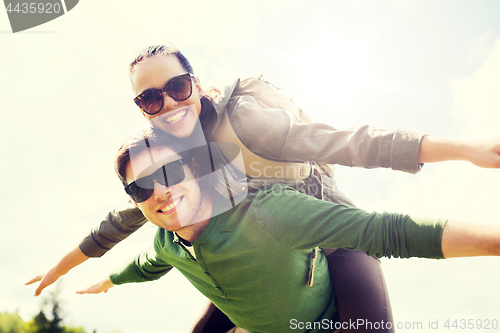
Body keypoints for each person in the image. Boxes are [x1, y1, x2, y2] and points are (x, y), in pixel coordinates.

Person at [26, 45, 500, 332]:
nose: (168, 103)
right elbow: (125, 221)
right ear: (142, 109)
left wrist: (463, 148)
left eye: (178, 86)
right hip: (261, 247)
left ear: (196, 83)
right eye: (150, 98)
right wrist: (61, 268)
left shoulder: (246, 122)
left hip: (333, 234)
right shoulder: (166, 158)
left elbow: (350, 144)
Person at [78, 127, 500, 333]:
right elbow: (146, 264)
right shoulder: (165, 243)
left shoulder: (267, 215)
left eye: (170, 171)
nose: (162, 191)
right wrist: (110, 280)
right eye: (142, 186)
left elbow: (389, 232)